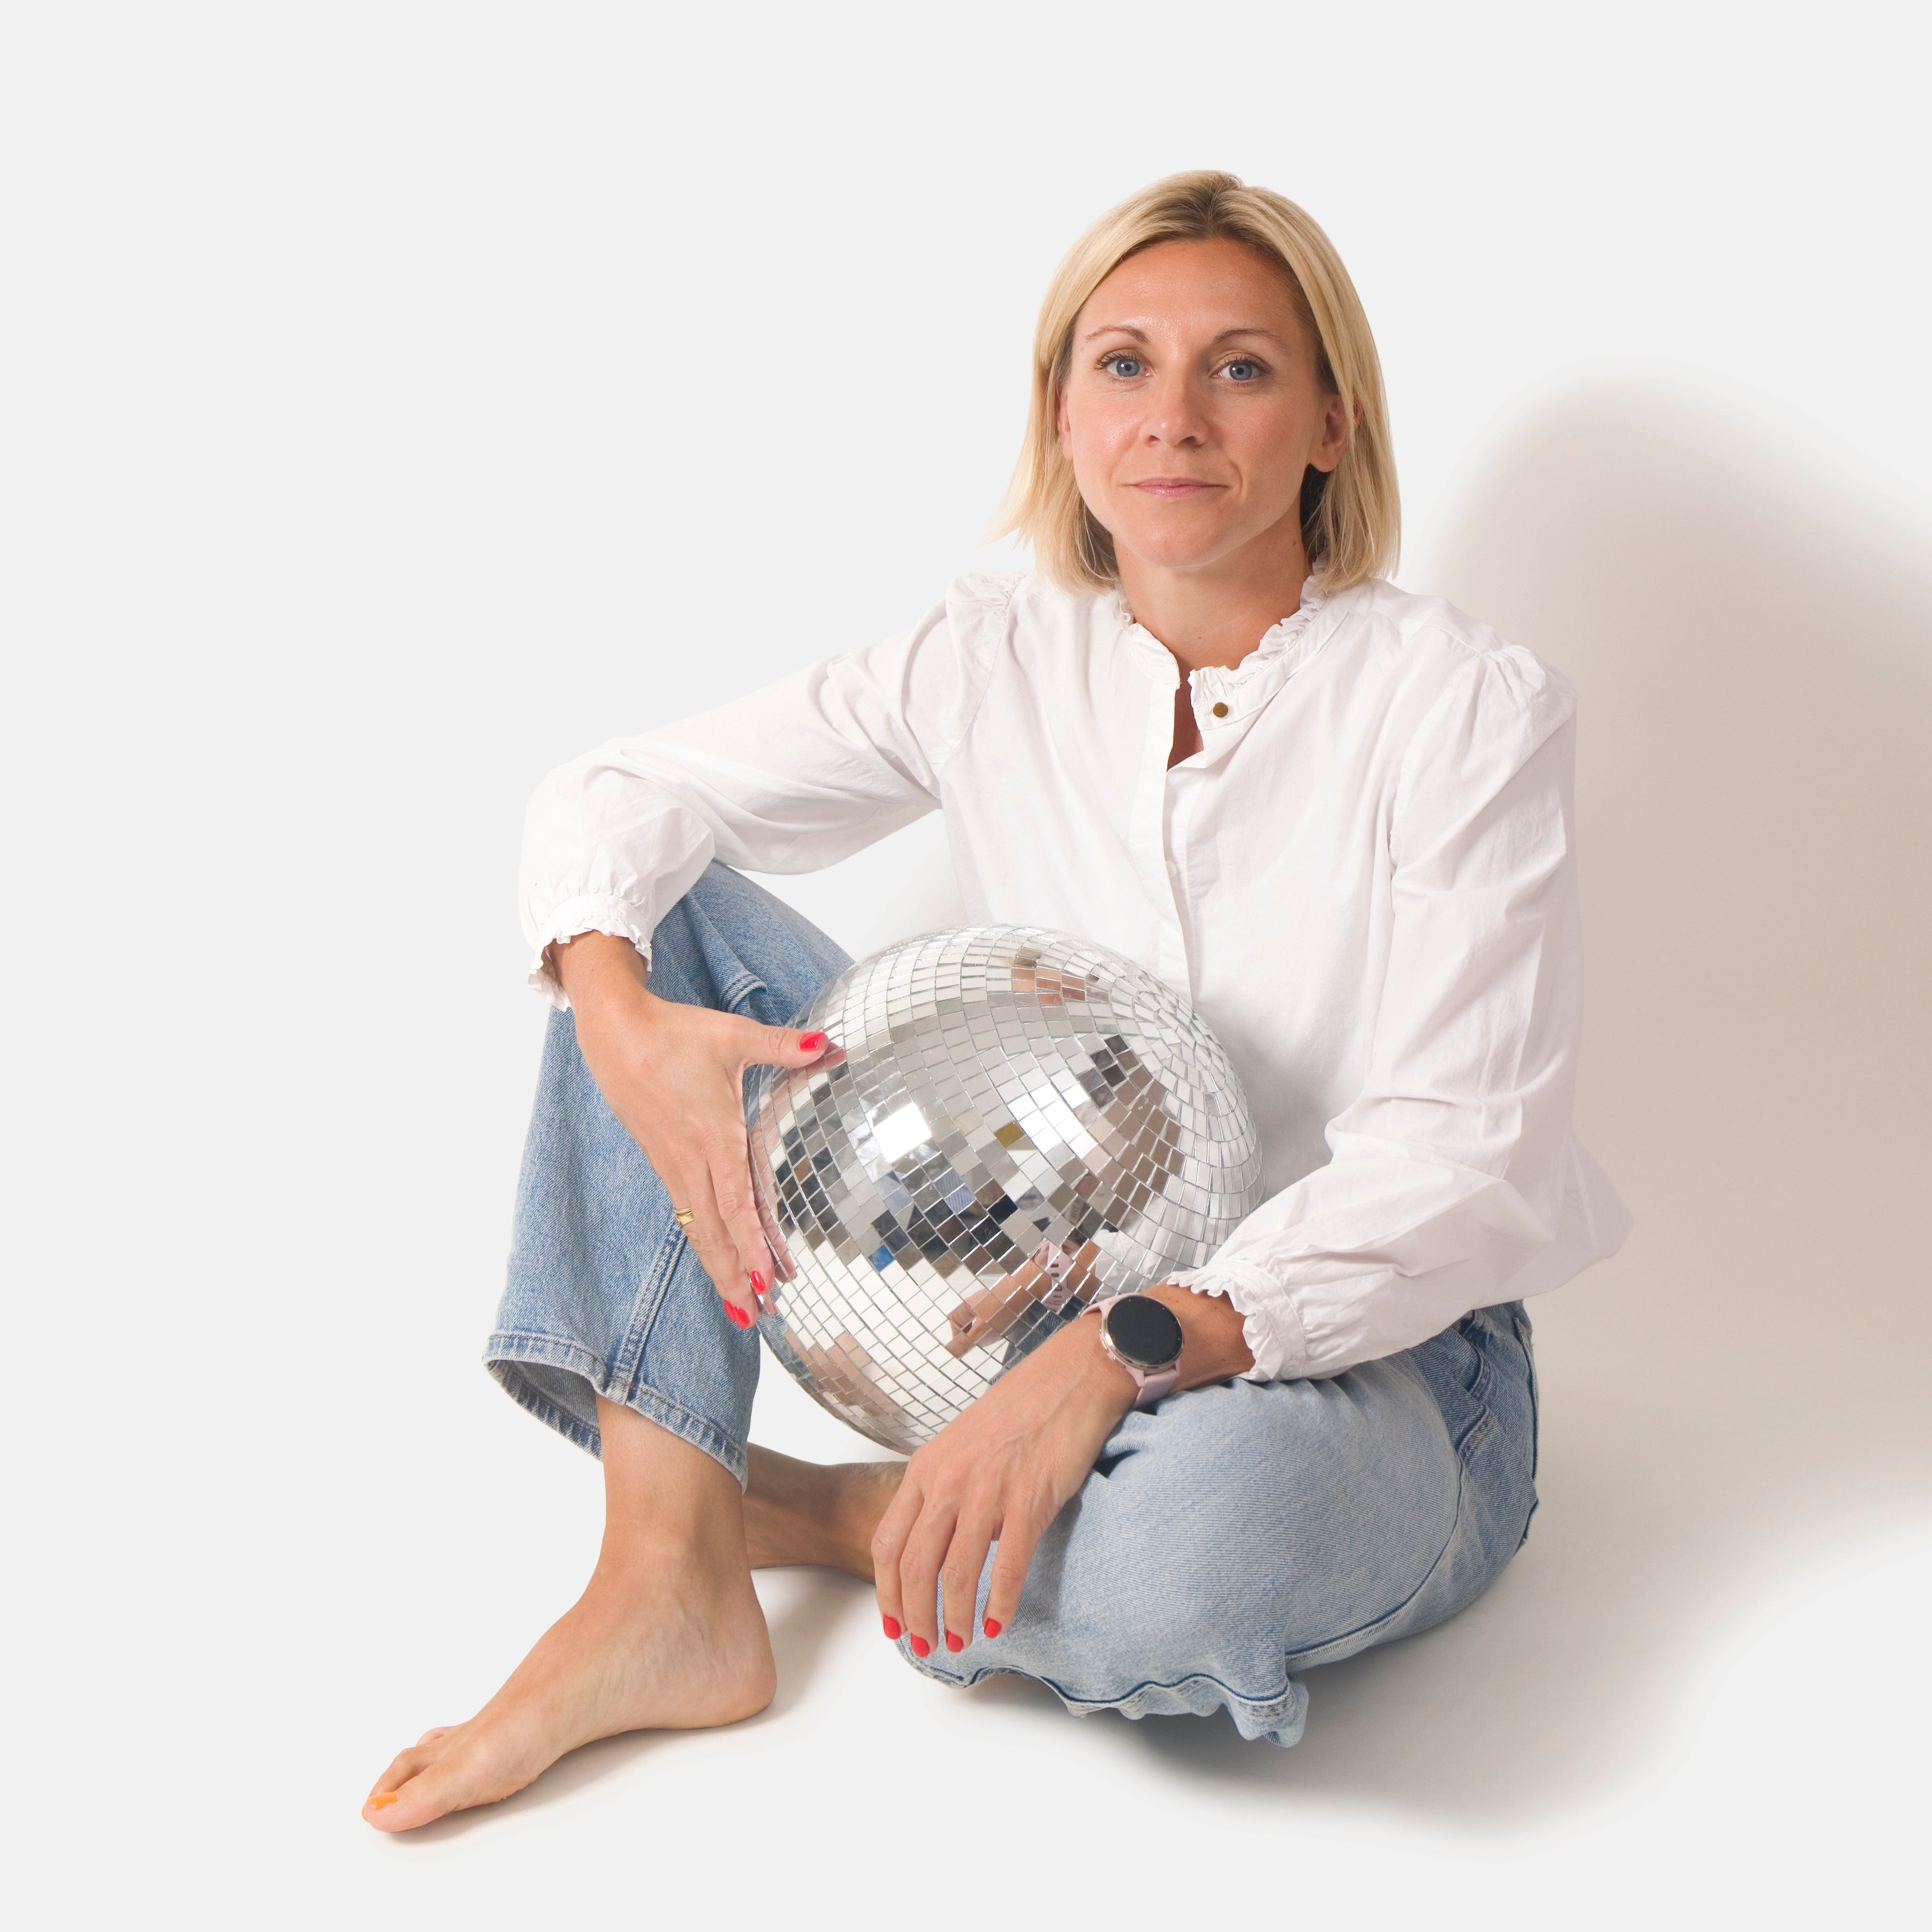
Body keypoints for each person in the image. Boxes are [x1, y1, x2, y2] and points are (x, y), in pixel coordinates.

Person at [363, 169, 1630, 1830]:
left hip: (1368, 1357)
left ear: (1330, 421)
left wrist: (1117, 1359)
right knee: (642, 927)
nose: (1173, 417)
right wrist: (621, 1024)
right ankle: (665, 1575)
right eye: (1124, 364)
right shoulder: (991, 651)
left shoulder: (1466, 711)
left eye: (1239, 368)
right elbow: (609, 801)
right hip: (1018, 1277)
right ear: (1061, 413)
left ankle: (846, 1516)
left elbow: (1463, 1167)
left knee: (1209, 1545)